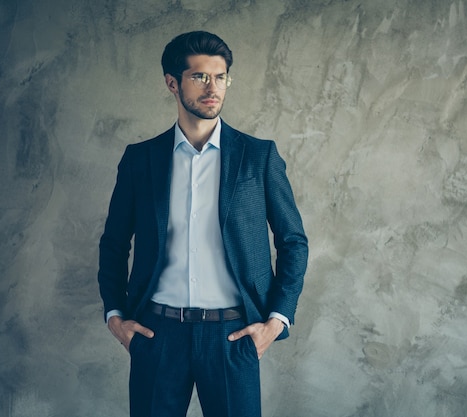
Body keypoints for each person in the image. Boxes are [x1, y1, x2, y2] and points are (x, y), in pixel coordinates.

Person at [97, 30, 308, 417]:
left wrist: (276, 321)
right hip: (156, 334)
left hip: (233, 336)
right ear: (172, 84)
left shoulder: (258, 157)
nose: (213, 88)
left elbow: (294, 241)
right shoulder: (141, 160)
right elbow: (113, 244)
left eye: (221, 76)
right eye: (199, 77)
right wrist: (116, 317)